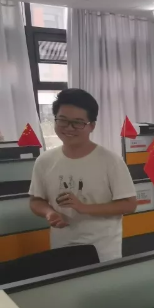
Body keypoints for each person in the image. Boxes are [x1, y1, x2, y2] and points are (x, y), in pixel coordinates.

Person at [28, 89, 137, 262]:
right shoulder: (44, 161)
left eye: (78, 123)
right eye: (63, 120)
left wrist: (83, 208)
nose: (69, 128)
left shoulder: (110, 161)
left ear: (91, 125)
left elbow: (129, 204)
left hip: (103, 251)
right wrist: (49, 213)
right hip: (61, 247)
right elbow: (36, 200)